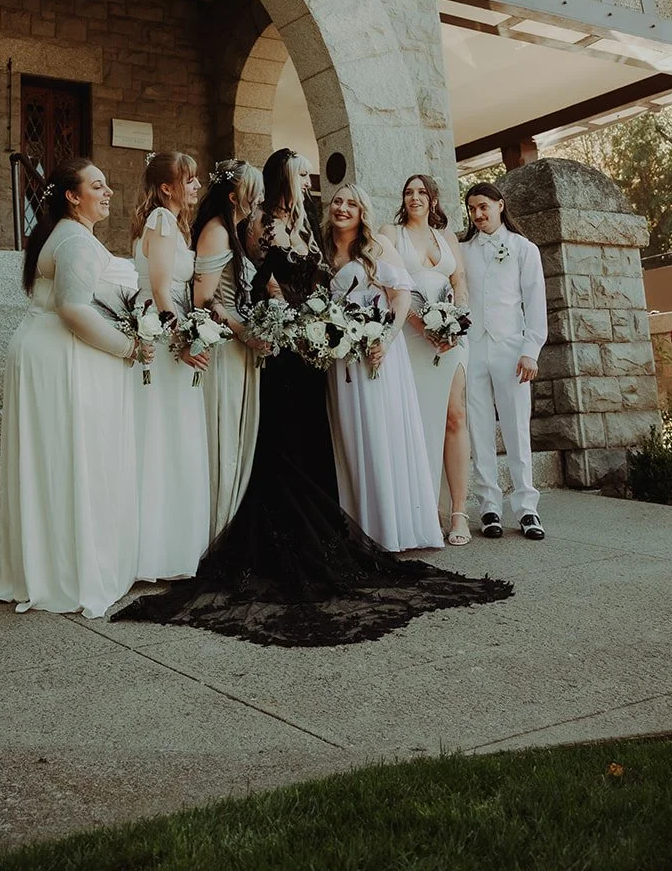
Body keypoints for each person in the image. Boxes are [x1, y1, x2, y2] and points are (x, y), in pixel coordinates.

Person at [113, 150, 513, 647]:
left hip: (311, 351)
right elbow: (241, 285)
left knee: (314, 439)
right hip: (278, 349)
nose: (309, 180)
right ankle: (281, 534)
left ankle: (323, 530)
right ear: (285, 176)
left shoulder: (306, 224)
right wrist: (265, 317)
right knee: (283, 441)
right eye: (302, 173)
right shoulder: (257, 224)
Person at [0, 159, 146, 618]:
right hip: (60, 356)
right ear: (72, 196)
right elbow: (74, 309)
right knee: (68, 456)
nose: (109, 190)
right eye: (98, 185)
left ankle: (47, 564)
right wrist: (127, 347)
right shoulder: (75, 241)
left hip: (47, 350)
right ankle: (66, 571)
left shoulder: (65, 234)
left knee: (55, 459)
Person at [324, 184, 442, 553]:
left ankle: (391, 529)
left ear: (363, 212)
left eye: (352, 204)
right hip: (340, 359)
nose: (342, 208)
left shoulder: (376, 245)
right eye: (337, 201)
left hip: (379, 355)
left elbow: (401, 294)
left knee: (381, 431)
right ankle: (359, 527)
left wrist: (386, 340)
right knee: (349, 435)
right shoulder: (321, 249)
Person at [132, 151, 210, 580]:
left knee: (171, 433)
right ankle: (159, 551)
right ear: (167, 187)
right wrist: (182, 340)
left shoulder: (172, 223)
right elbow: (162, 289)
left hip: (172, 330)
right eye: (190, 179)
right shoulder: (161, 221)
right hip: (165, 338)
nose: (196, 185)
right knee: (164, 433)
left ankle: (172, 546)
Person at [383, 175, 472, 545]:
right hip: (410, 336)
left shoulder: (447, 238)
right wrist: (423, 326)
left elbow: (460, 280)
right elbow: (387, 284)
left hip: (451, 339)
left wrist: (457, 320)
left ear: (433, 199)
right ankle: (425, 509)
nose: (414, 197)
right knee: (417, 423)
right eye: (408, 192)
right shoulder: (390, 233)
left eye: (421, 192)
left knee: (455, 416)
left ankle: (459, 512)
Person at [459, 181, 548, 540]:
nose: (478, 214)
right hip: (472, 347)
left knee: (515, 427)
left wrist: (531, 350)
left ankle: (527, 508)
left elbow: (535, 300)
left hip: (512, 348)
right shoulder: (463, 250)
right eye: (472, 209)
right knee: (478, 428)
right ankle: (489, 507)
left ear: (500, 205)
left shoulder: (523, 249)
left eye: (483, 207)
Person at [191, 158, 266, 540]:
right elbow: (204, 299)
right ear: (236, 195)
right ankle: (213, 535)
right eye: (254, 192)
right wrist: (245, 332)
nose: (259, 199)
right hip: (223, 350)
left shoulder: (234, 233)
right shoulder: (217, 232)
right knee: (222, 441)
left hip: (239, 347)